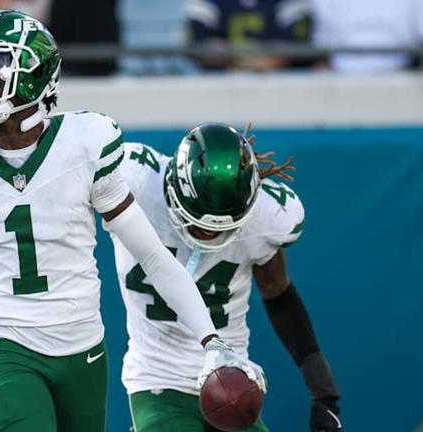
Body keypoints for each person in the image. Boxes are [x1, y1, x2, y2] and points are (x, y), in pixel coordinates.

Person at [0, 8, 263, 432]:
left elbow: (153, 257)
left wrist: (212, 341)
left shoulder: (84, 144)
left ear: (36, 75)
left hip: (81, 343)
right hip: (5, 343)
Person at [111, 124, 341, 431]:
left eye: (221, 227)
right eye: (198, 223)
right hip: (158, 377)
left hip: (234, 378)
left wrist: (323, 389)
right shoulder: (135, 182)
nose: (208, 233)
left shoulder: (267, 217)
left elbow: (278, 294)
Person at [186, 0, 313, 72]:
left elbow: (291, 50)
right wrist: (260, 60)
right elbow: (203, 48)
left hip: (283, 88)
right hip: (223, 89)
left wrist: (232, 57)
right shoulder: (204, 2)